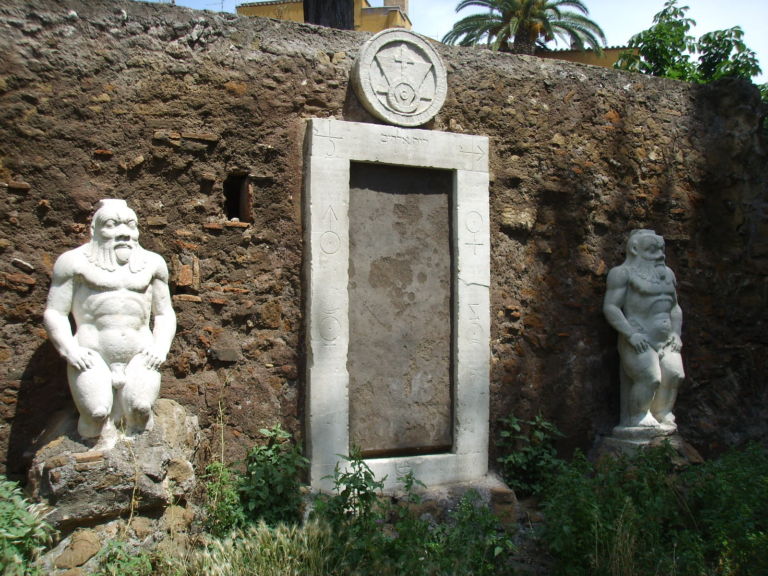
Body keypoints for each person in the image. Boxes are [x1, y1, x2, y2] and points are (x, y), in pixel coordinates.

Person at [44, 199, 176, 448]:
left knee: (139, 410)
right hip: (92, 354)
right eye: (112, 225)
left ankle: (135, 458)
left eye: (130, 225)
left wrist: (160, 348)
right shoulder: (73, 262)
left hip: (140, 354)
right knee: (96, 414)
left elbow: (164, 314)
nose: (124, 233)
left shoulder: (153, 264)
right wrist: (70, 351)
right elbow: (55, 313)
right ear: (94, 230)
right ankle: (99, 444)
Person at [603, 229, 684, 429]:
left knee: (674, 374)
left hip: (666, 339)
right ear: (635, 249)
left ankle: (662, 413)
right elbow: (611, 307)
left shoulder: (668, 275)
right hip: (639, 337)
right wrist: (631, 334)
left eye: (661, 249)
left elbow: (675, 308)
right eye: (652, 249)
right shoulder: (622, 274)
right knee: (650, 377)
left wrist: (676, 333)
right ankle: (637, 417)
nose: (659, 254)